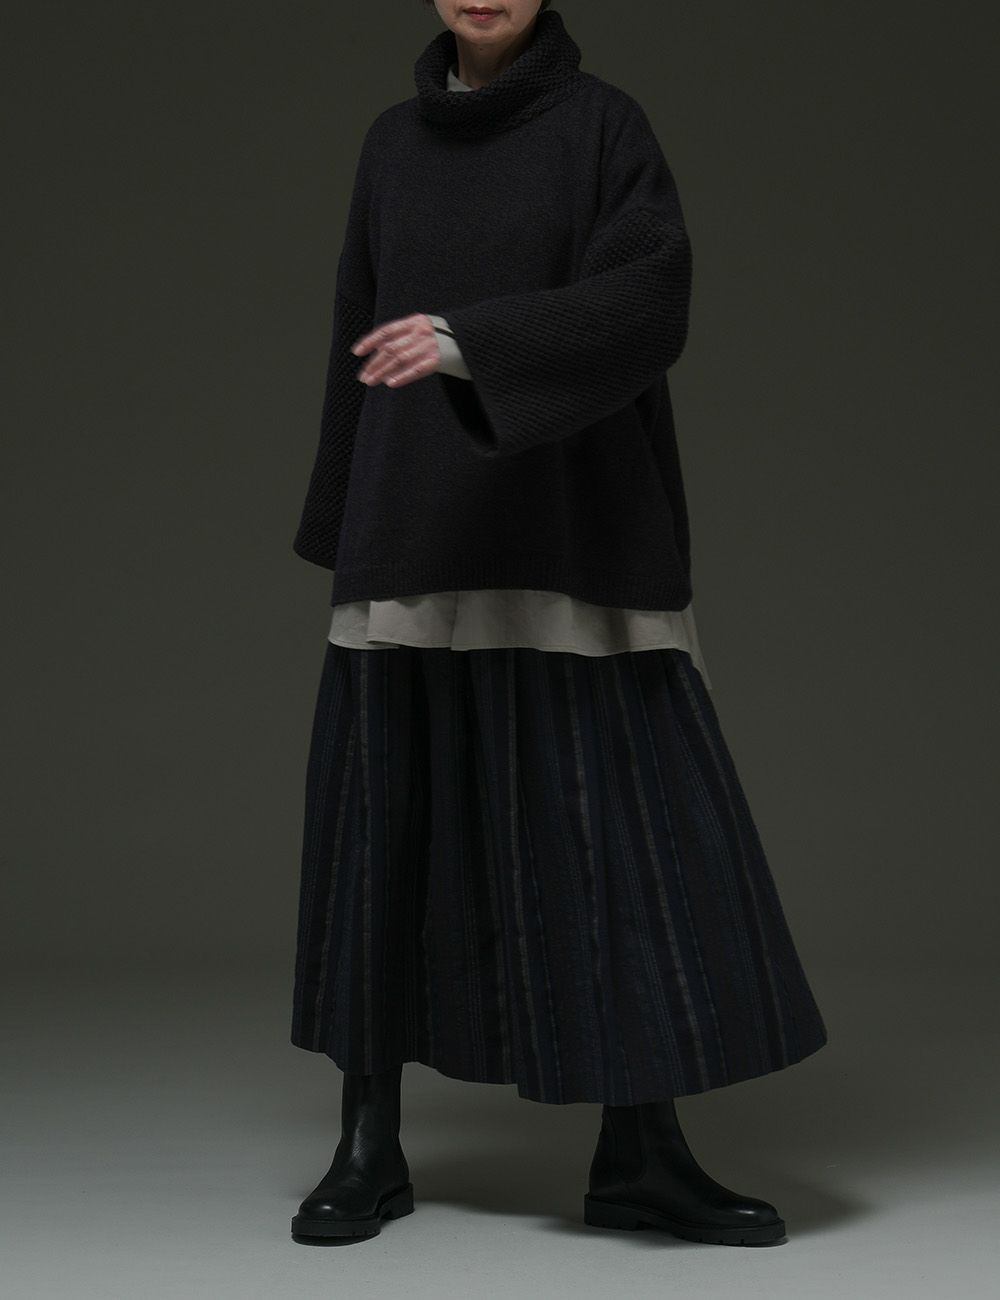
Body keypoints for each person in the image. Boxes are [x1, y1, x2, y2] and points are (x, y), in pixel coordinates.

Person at [287, 0, 829, 1247]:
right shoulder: (389, 143)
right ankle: (368, 1145)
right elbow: (355, 329)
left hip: (575, 519)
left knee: (616, 841)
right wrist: (343, 515)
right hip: (412, 517)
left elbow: (651, 301)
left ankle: (642, 1153)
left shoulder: (604, 127)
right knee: (382, 842)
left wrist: (472, 341)